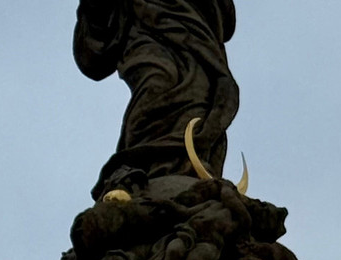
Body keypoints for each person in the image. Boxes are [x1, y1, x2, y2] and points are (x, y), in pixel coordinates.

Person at [74, 0, 239, 199]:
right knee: (157, 85)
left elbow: (224, 17)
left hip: (195, 36)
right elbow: (96, 55)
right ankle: (152, 166)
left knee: (199, 99)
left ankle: (183, 166)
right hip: (145, 29)